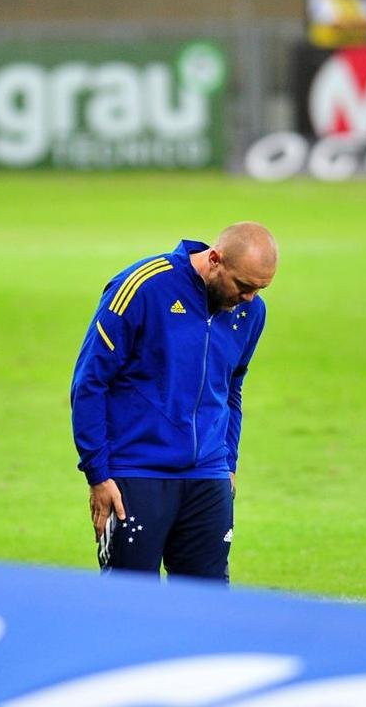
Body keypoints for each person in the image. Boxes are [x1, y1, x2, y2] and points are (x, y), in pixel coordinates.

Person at [70, 222, 277, 582]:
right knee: (131, 603)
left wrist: (228, 461)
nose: (249, 298)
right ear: (215, 260)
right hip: (136, 473)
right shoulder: (142, 287)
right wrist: (98, 474)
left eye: (260, 289)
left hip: (208, 478)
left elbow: (231, 386)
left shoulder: (250, 312)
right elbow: (90, 382)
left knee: (206, 604)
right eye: (243, 286)